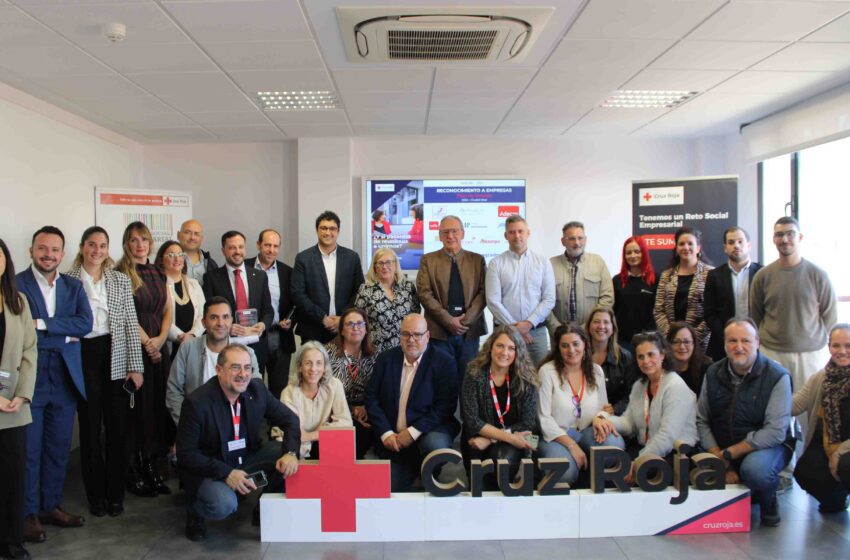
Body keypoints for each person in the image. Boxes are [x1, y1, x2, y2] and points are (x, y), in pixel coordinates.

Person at [176, 344, 300, 542]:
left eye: (247, 368)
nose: (243, 374)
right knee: (224, 504)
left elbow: (290, 420)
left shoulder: (257, 390)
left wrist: (291, 453)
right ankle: (195, 511)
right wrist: (227, 473)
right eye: (235, 367)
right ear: (219, 370)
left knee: (286, 458)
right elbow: (186, 454)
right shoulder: (197, 403)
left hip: (245, 458)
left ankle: (264, 509)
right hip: (212, 467)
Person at [17, 226, 93, 543]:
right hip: (30, 377)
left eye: (54, 250)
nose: (48, 255)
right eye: (42, 248)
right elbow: (19, 334)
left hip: (64, 376)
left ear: (63, 254)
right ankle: (28, 514)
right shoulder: (15, 285)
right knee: (29, 451)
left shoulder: (73, 286)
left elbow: (85, 324)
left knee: (58, 448)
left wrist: (42, 324)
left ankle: (50, 506)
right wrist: (63, 335)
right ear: (32, 251)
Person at [66, 226, 144, 518]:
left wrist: (135, 367)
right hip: (82, 355)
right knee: (89, 430)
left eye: (102, 245)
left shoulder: (120, 280)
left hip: (115, 355)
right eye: (91, 244)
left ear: (108, 249)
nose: (97, 250)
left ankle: (115, 495)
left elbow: (130, 325)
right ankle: (95, 496)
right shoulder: (68, 280)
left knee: (117, 429)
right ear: (82, 247)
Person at [696, 318, 793, 527]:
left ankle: (768, 501)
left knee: (756, 471)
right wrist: (719, 459)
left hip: (766, 447)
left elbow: (775, 432)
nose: (738, 347)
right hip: (721, 449)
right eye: (732, 341)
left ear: (758, 342)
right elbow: (702, 420)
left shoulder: (777, 377)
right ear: (724, 344)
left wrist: (730, 454)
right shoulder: (712, 373)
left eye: (746, 341)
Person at [751, 217, 837, 425]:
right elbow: (755, 316)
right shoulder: (763, 276)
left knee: (810, 414)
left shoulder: (818, 275)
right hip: (772, 353)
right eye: (779, 235)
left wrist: (830, 349)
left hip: (811, 355)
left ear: (800, 237)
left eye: (790, 234)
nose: (785, 239)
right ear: (774, 239)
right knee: (773, 411)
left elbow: (830, 317)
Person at [365, 314, 459, 491]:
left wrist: (412, 432)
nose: (411, 339)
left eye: (417, 334)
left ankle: (429, 472)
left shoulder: (444, 362)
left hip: (428, 431)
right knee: (389, 487)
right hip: (393, 438)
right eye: (406, 334)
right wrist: (386, 433)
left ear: (427, 336)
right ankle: (412, 469)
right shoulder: (386, 359)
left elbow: (444, 407)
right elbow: (371, 397)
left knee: (434, 446)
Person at [115, 221, 173, 498]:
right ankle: (133, 470)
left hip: (158, 347)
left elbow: (168, 310)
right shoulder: (119, 273)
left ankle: (152, 466)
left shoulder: (158, 271)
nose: (140, 245)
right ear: (126, 244)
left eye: (144, 240)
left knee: (156, 409)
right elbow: (124, 313)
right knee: (136, 412)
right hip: (133, 346)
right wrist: (148, 342)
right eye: (134, 240)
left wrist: (160, 339)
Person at [593, 331, 697, 484]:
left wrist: (639, 461)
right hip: (647, 448)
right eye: (640, 357)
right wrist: (604, 420)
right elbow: (629, 423)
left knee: (618, 476)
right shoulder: (640, 385)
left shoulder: (675, 386)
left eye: (651, 354)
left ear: (662, 355)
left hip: (675, 454)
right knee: (607, 468)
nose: (645, 361)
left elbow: (667, 437)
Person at [538, 324, 625, 486]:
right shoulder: (547, 372)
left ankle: (587, 480)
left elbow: (604, 408)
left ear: (585, 344)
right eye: (565, 346)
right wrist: (571, 445)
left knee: (615, 444)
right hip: (556, 436)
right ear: (558, 349)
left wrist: (600, 417)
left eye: (576, 344)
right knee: (565, 472)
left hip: (585, 432)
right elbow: (544, 418)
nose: (571, 350)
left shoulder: (596, 371)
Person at [461, 326, 538, 490]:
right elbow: (472, 420)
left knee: (502, 462)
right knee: (478, 491)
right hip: (477, 440)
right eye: (500, 346)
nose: (504, 352)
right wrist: (507, 436)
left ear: (518, 352)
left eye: (511, 348)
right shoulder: (474, 373)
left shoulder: (526, 378)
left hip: (509, 443)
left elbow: (527, 423)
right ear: (490, 347)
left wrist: (491, 439)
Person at [166, 297, 260, 427]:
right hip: (196, 425)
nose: (220, 323)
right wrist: (188, 425)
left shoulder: (247, 353)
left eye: (225, 317)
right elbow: (173, 391)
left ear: (231, 320)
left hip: (236, 427)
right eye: (214, 317)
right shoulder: (188, 348)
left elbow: (257, 393)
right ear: (204, 322)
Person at [416, 216, 487, 387]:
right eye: (445, 232)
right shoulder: (428, 260)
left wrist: (465, 320)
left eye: (454, 231)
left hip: (469, 332)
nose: (450, 236)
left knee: (469, 382)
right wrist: (448, 320)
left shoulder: (477, 260)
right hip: (439, 331)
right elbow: (424, 293)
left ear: (462, 233)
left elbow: (484, 293)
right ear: (440, 236)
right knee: (441, 383)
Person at [0, 239, 37, 559]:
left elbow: (29, 350)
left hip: (13, 405)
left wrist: (23, 393)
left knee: (13, 476)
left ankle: (11, 541)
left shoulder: (18, 301)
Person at [793, 324, 850, 513]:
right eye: (836, 345)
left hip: (845, 449)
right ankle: (836, 501)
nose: (842, 351)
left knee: (846, 466)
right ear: (829, 347)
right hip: (829, 444)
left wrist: (839, 452)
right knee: (805, 471)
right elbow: (794, 405)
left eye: (848, 346)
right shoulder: (820, 378)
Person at [485, 215, 556, 364]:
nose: (517, 236)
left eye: (520, 231)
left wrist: (528, 324)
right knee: (505, 373)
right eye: (512, 232)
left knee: (538, 374)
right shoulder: (496, 264)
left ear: (528, 233)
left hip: (535, 333)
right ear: (506, 235)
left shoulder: (543, 262)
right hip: (504, 333)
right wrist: (516, 329)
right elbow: (493, 301)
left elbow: (549, 298)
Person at [202, 230, 273, 374]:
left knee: (255, 384)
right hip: (227, 345)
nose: (237, 252)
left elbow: (268, 310)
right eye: (232, 248)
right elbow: (208, 315)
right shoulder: (211, 278)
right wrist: (227, 327)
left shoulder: (260, 276)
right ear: (223, 251)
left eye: (241, 247)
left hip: (256, 343)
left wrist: (262, 325)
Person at [292, 211, 365, 344]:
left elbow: (359, 291)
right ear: (317, 230)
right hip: (312, 329)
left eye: (332, 228)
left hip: (345, 328)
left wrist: (342, 318)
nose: (327, 232)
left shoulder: (352, 258)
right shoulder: (303, 258)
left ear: (338, 231)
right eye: (323, 228)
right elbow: (298, 294)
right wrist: (323, 318)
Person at [245, 229, 296, 400]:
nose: (271, 250)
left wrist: (290, 321)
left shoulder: (287, 272)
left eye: (275, 246)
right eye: (267, 245)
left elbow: (295, 303)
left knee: (279, 387)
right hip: (251, 336)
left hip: (278, 336)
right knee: (252, 385)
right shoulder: (244, 267)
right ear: (258, 245)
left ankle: (275, 418)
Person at [280, 341, 353, 459]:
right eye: (308, 363)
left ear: (324, 367)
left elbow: (346, 423)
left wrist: (313, 435)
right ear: (299, 367)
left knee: (339, 446)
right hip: (296, 447)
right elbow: (293, 433)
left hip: (321, 442)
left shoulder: (334, 385)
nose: (313, 369)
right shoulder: (288, 393)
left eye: (319, 363)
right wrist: (324, 432)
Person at [704, 227, 763, 361]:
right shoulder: (714, 275)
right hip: (722, 345)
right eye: (731, 242)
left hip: (756, 343)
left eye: (740, 241)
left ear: (749, 245)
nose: (736, 245)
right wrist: (727, 336)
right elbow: (709, 313)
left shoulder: (762, 273)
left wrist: (757, 335)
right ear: (725, 248)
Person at [326, 307, 377, 459]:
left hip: (367, 410)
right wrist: (351, 410)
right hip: (335, 410)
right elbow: (323, 391)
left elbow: (380, 391)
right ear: (341, 330)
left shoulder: (376, 355)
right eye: (350, 324)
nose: (356, 328)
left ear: (366, 329)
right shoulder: (327, 354)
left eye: (360, 324)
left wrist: (365, 408)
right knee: (355, 436)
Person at [653, 227, 713, 351]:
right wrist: (672, 337)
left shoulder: (711, 274)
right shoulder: (666, 275)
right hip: (671, 344)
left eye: (690, 243)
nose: (686, 247)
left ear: (698, 248)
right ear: (676, 248)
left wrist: (691, 339)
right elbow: (659, 310)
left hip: (701, 345)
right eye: (681, 244)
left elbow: (712, 313)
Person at [548, 221, 614, 333]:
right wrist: (557, 328)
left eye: (580, 238)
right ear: (563, 241)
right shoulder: (550, 265)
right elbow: (544, 300)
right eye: (571, 239)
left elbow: (607, 298)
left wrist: (589, 326)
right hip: (559, 333)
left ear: (585, 240)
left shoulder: (598, 262)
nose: (577, 243)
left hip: (592, 333)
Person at [354, 248, 420, 354]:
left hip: (406, 347)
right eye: (380, 263)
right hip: (376, 350)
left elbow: (416, 315)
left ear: (395, 265)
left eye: (388, 262)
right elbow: (358, 319)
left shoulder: (408, 287)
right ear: (375, 268)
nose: (384, 267)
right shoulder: (365, 289)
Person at [155, 241, 205, 361]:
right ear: (161, 260)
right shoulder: (157, 286)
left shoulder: (194, 284)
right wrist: (182, 337)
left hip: (194, 346)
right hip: (169, 349)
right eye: (171, 255)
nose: (177, 258)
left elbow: (203, 314)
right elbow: (159, 317)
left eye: (180, 254)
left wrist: (192, 335)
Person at [584, 306, 635, 416]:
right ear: (588, 327)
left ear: (613, 329)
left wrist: (615, 409)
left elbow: (631, 394)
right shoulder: (579, 355)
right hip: (584, 413)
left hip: (614, 417)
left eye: (606, 322)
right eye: (596, 322)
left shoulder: (625, 357)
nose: (601, 326)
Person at [613, 236, 656, 352]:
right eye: (628, 253)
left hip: (649, 340)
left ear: (644, 253)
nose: (632, 256)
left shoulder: (656, 279)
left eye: (637, 251)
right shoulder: (617, 281)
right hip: (623, 341)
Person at [666, 322, 714, 396]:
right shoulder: (663, 369)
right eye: (676, 342)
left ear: (694, 344)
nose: (682, 347)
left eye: (687, 342)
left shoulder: (707, 368)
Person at [177, 219, 218, 286]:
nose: (192, 237)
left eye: (197, 234)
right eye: (187, 232)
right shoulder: (169, 261)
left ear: (201, 238)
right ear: (178, 235)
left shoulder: (211, 264)